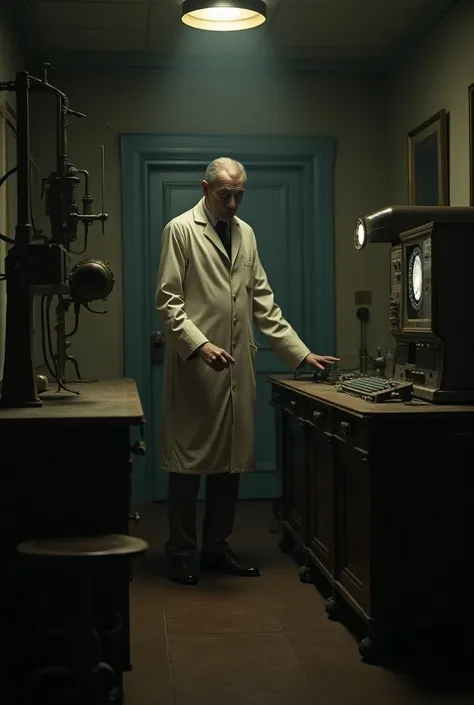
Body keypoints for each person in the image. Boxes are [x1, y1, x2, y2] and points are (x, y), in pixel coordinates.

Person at [155, 157, 338, 585]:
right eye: (225, 195)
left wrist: (300, 354)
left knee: (230, 463)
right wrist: (201, 346)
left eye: (239, 195)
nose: (233, 203)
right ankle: (181, 553)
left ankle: (216, 549)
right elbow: (168, 303)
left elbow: (263, 303)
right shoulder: (180, 230)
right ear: (205, 189)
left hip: (236, 368)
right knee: (187, 463)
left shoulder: (246, 234)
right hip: (196, 369)